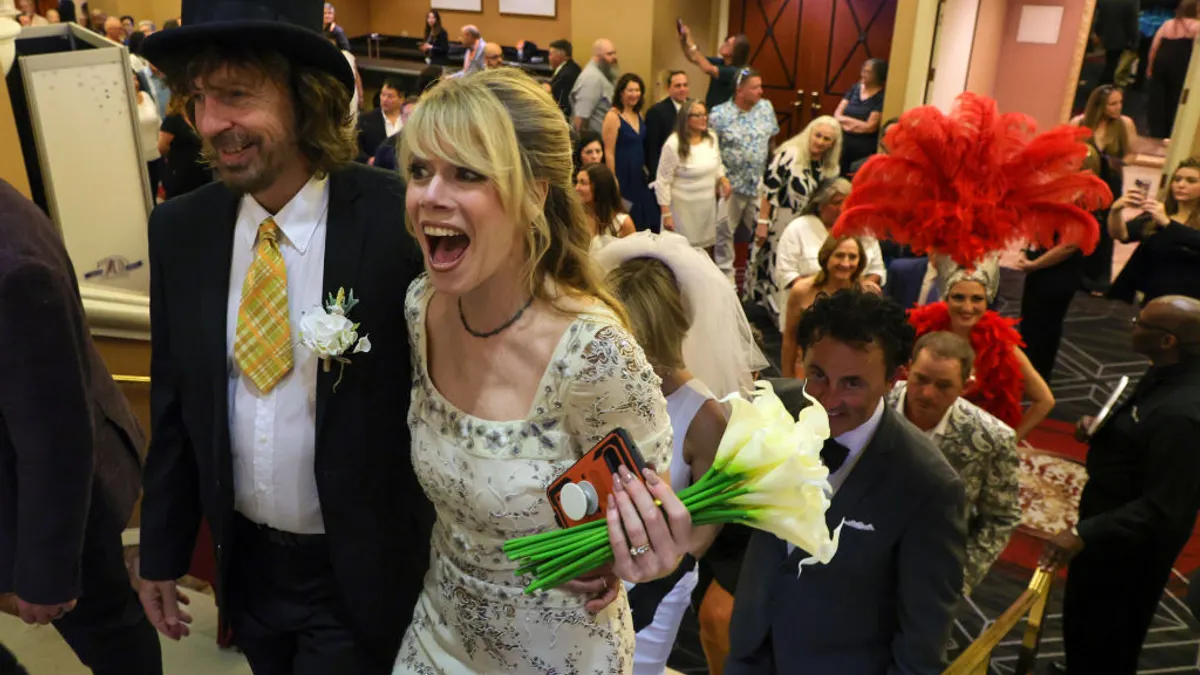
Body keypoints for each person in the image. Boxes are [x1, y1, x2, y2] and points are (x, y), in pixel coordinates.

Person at [137, 3, 433, 673]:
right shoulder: (181, 232)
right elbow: (176, 405)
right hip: (248, 572)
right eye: (201, 98)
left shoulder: (396, 224)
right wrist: (161, 550)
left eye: (236, 95)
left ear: (307, 98)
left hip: (359, 574)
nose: (210, 124)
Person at [394, 66, 693, 674]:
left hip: (557, 652)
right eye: (420, 171)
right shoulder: (421, 306)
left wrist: (634, 555)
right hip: (437, 629)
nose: (430, 196)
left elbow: (642, 529)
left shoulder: (593, 355)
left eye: (467, 174)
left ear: (535, 192)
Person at [727, 290, 967, 675]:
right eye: (818, 375)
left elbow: (922, 641)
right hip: (749, 652)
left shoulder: (929, 487)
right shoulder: (775, 410)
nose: (827, 399)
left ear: (892, 380)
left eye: (852, 383)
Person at [0, 179, 161, 674]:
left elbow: (55, 437)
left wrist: (47, 578)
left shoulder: (14, 267)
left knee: (111, 633)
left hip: (51, 497)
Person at [597, 232, 765, 675]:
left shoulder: (705, 418)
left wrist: (632, 559)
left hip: (655, 587)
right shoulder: (604, 388)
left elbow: (697, 541)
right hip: (592, 571)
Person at [1043, 295, 1200, 675]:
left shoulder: (1181, 415)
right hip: (1110, 525)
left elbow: (1164, 509)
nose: (1132, 325)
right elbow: (1140, 434)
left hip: (1128, 550)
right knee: (1085, 624)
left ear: (1168, 342)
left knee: (1109, 635)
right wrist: (1102, 431)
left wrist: (1085, 532)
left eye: (1142, 323)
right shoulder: (1167, 372)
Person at [887, 331, 1020, 593]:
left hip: (931, 570)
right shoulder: (871, 406)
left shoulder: (992, 439)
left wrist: (960, 579)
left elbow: (1001, 517)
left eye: (943, 385)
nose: (927, 394)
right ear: (907, 371)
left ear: (966, 386)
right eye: (921, 379)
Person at [908, 261, 1055, 441]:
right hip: (917, 434)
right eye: (958, 297)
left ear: (987, 302)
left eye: (977, 299)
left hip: (968, 444)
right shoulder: (921, 331)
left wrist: (1009, 443)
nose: (967, 308)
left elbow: (1045, 400)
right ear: (946, 298)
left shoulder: (1001, 345)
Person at [750, 116, 842, 317]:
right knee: (772, 265)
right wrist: (763, 222)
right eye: (818, 135)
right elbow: (768, 190)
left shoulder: (827, 166)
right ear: (809, 132)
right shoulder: (790, 154)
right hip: (777, 219)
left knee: (793, 265)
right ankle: (771, 313)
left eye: (827, 139)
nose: (820, 142)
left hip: (804, 223)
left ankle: (783, 311)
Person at [774, 178, 885, 319]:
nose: (843, 207)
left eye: (848, 202)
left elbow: (877, 269)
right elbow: (786, 272)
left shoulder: (865, 231)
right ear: (820, 205)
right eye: (837, 202)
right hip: (807, 310)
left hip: (855, 312)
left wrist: (863, 286)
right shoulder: (798, 228)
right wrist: (817, 293)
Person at [708, 68, 777, 281]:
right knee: (724, 235)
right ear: (740, 90)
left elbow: (772, 141)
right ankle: (724, 281)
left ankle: (752, 278)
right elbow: (712, 149)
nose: (761, 91)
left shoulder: (765, 108)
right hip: (731, 186)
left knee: (761, 232)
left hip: (758, 185)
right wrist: (719, 181)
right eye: (755, 87)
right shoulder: (719, 115)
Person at [1071, 85, 1137, 293]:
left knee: (1103, 229)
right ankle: (1073, 275)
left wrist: (1119, 163)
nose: (1118, 108)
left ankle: (1096, 280)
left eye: (1120, 103)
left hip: (1110, 181)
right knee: (1079, 224)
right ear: (1099, 105)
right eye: (1113, 104)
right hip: (1085, 181)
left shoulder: (1125, 124)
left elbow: (1132, 154)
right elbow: (1066, 151)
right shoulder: (1079, 122)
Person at [1109, 155, 1200, 304]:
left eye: (1191, 181)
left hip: (1190, 301)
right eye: (1177, 179)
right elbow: (1122, 235)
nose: (1180, 185)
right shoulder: (1160, 214)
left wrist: (1167, 224)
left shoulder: (1164, 218)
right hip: (1151, 298)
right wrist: (1115, 211)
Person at [779, 235, 871, 378]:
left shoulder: (867, 294)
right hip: (807, 371)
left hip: (849, 373)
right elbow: (790, 339)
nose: (845, 263)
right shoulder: (801, 290)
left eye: (852, 257)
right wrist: (787, 380)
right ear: (826, 256)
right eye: (839, 256)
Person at [655, 99, 731, 251]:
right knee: (680, 253)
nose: (704, 118)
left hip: (706, 210)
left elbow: (717, 163)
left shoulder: (711, 138)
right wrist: (666, 214)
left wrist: (723, 179)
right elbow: (663, 181)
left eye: (705, 114)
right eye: (698, 115)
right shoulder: (673, 144)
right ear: (686, 119)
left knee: (704, 252)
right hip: (681, 211)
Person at [604, 72, 660, 232]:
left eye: (637, 90)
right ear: (621, 92)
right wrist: (612, 179)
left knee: (646, 218)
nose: (634, 94)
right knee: (626, 218)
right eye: (630, 90)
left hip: (638, 175)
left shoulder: (638, 114)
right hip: (622, 174)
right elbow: (608, 151)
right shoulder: (613, 116)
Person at [1147, 1, 1198, 139]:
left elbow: (1154, 47)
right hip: (1181, 65)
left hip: (1161, 62)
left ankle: (1156, 132)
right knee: (1176, 99)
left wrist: (1150, 67)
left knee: (1157, 99)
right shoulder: (1197, 26)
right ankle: (1170, 133)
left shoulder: (1168, 23)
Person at [677, 24, 751, 110]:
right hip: (710, 111)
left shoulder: (736, 71)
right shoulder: (720, 62)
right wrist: (683, 41)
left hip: (723, 117)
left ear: (735, 52)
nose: (723, 45)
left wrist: (691, 42)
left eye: (728, 44)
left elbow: (707, 69)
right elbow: (693, 58)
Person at [834, 58, 886, 176]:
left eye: (868, 72)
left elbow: (870, 127)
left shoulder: (881, 96)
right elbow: (837, 115)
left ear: (878, 75)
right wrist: (857, 125)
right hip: (842, 143)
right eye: (863, 70)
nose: (863, 74)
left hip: (864, 149)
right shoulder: (855, 88)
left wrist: (846, 122)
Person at [156, 96, 212, 199]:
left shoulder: (196, 117)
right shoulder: (172, 120)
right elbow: (162, 146)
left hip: (201, 171)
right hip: (181, 173)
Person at [576, 162, 636, 251]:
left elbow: (633, 258)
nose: (577, 188)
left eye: (583, 183)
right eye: (577, 182)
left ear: (600, 187)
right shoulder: (576, 218)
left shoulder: (623, 223)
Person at [644, 70, 690, 177]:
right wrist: (656, 176)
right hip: (666, 171)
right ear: (668, 89)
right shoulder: (656, 112)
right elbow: (652, 149)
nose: (682, 89)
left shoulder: (694, 108)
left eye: (685, 85)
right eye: (678, 86)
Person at [571, 38, 618, 134]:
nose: (614, 57)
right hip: (595, 143)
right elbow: (580, 118)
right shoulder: (591, 78)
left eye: (614, 53)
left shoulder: (605, 74)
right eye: (609, 54)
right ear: (597, 57)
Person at [357, 78, 403, 159]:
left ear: (401, 99)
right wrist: (368, 160)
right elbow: (355, 148)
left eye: (390, 96)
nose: (385, 99)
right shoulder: (366, 119)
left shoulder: (408, 119)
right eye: (383, 95)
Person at [547, 38, 580, 120]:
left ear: (559, 56)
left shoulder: (567, 74)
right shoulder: (571, 67)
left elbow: (560, 102)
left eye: (551, 54)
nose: (548, 58)